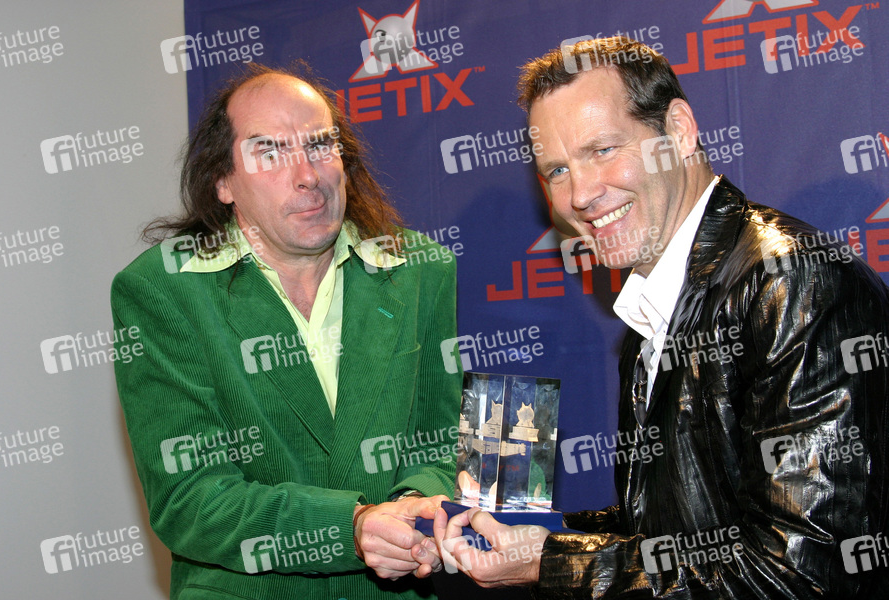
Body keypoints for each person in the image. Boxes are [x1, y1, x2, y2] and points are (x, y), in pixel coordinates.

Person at [433, 37, 889, 598]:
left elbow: (801, 572)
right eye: (556, 170)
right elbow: (674, 530)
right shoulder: (653, 305)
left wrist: (550, 564)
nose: (581, 194)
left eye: (602, 149)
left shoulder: (791, 282)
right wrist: (532, 538)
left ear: (678, 130)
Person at [111, 63, 460, 600]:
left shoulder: (420, 270)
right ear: (223, 181)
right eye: (269, 152)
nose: (307, 175)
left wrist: (414, 505)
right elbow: (190, 499)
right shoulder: (163, 291)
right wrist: (350, 527)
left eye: (320, 145)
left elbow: (439, 445)